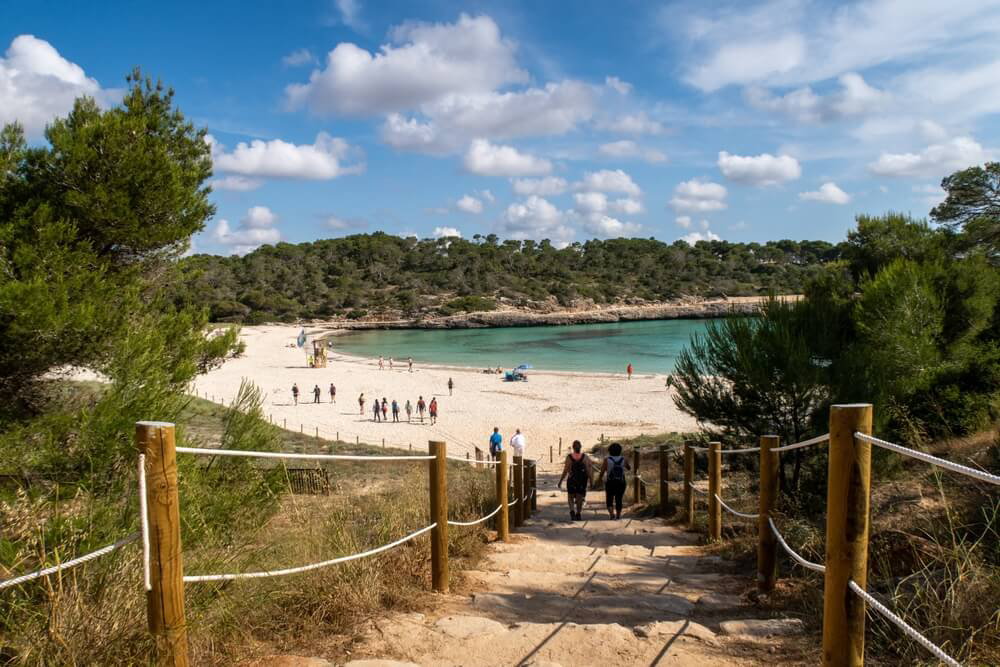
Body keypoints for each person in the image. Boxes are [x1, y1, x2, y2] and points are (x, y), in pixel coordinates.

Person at [558, 440, 593, 521]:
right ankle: (578, 513)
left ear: (573, 447)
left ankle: (572, 511)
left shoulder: (569, 457)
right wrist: (591, 481)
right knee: (579, 497)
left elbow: (565, 470)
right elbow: (588, 471)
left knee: (570, 496)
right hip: (581, 481)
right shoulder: (585, 457)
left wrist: (560, 481)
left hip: (571, 480)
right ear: (580, 447)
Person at [597, 442, 630, 520]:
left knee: (609, 499)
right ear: (620, 451)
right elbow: (629, 468)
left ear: (610, 451)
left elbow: (602, 472)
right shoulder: (623, 459)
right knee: (619, 499)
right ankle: (618, 515)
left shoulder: (607, 460)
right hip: (621, 482)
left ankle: (612, 514)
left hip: (610, 482)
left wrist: (599, 480)